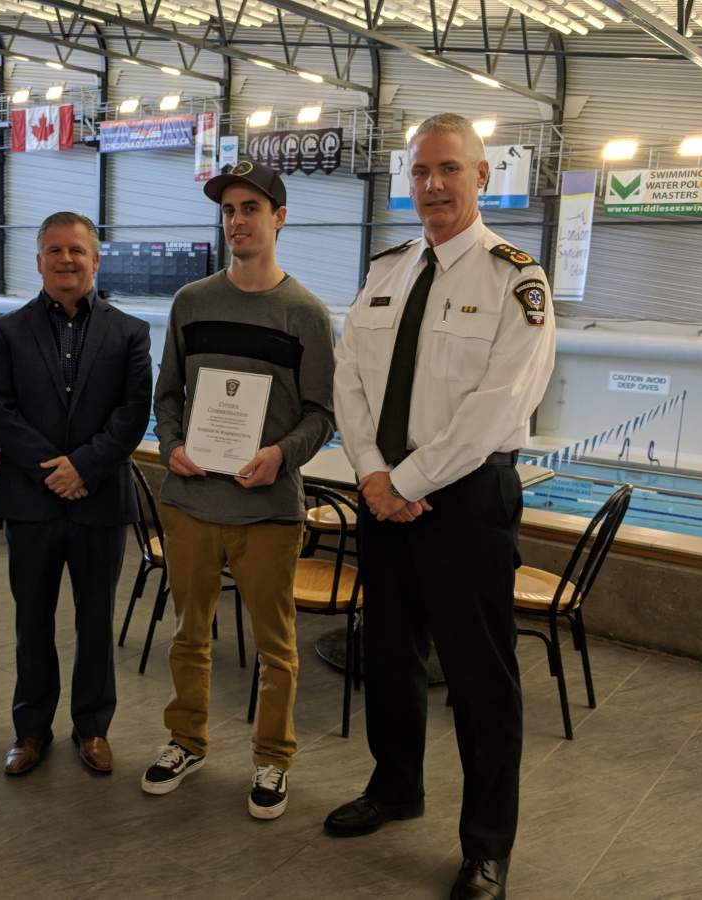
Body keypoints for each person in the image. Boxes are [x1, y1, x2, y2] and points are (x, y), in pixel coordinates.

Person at [326, 113, 556, 900]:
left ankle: (486, 847)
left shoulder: (514, 281)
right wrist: (371, 473)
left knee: (480, 680)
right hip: (385, 494)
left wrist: (407, 482)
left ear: (484, 176)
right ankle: (396, 787)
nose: (432, 186)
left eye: (449, 169)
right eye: (420, 171)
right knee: (387, 655)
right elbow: (348, 377)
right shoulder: (386, 271)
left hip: (464, 503)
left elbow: (499, 406)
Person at [143, 159, 335, 820]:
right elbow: (167, 395)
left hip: (268, 512)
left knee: (276, 647)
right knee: (189, 635)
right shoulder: (192, 303)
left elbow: (322, 415)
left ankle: (272, 759)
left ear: (279, 218)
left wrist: (280, 454)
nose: (237, 221)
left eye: (251, 208)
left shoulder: (305, 313)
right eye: (228, 210)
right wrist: (172, 448)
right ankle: (186, 739)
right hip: (193, 504)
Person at [0, 211, 152, 777]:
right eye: (54, 250)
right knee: (32, 621)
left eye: (76, 250)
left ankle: (93, 728)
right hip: (30, 501)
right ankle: (30, 731)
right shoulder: (6, 331)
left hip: (99, 500)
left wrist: (83, 467)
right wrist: (51, 469)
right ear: (38, 262)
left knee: (95, 621)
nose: (66, 260)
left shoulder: (129, 332)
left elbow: (132, 414)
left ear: (95, 259)